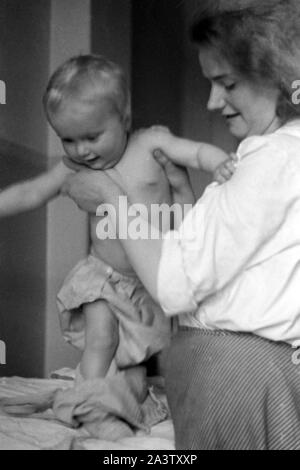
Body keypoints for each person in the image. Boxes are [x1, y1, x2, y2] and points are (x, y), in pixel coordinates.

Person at [61, 0, 300, 449]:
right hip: (237, 372)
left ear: (282, 78)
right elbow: (227, 263)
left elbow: (174, 282)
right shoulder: (284, 156)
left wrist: (112, 200)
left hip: (234, 377)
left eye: (226, 83)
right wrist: (184, 194)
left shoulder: (274, 157)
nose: (212, 101)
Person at [0, 54, 230, 381]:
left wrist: (221, 164)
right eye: (68, 139)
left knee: (138, 355)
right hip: (103, 276)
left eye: (92, 137)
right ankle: (88, 399)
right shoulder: (75, 168)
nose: (80, 150)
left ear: (124, 118)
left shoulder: (151, 143)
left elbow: (194, 152)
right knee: (101, 339)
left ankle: (125, 402)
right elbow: (30, 192)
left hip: (149, 280)